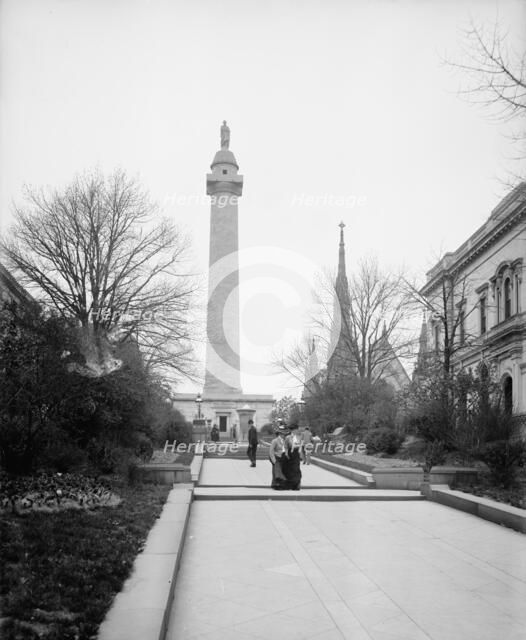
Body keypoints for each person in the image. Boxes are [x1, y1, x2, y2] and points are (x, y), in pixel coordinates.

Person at [268, 424, 289, 490]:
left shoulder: (285, 441)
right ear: (280, 434)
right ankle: (278, 484)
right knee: (277, 470)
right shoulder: (275, 441)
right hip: (276, 457)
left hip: (282, 457)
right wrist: (274, 460)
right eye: (283, 434)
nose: (284, 435)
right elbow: (271, 451)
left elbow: (286, 449)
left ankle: (274, 484)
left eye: (285, 434)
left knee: (276, 470)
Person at [283, 423, 302, 490]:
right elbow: (285, 446)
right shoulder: (288, 437)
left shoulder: (299, 437)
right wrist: (286, 453)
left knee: (296, 469)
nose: (297, 431)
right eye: (296, 429)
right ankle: (291, 484)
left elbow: (300, 446)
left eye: (297, 429)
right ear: (293, 430)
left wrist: (301, 454)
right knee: (291, 470)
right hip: (290, 454)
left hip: (296, 454)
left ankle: (297, 484)